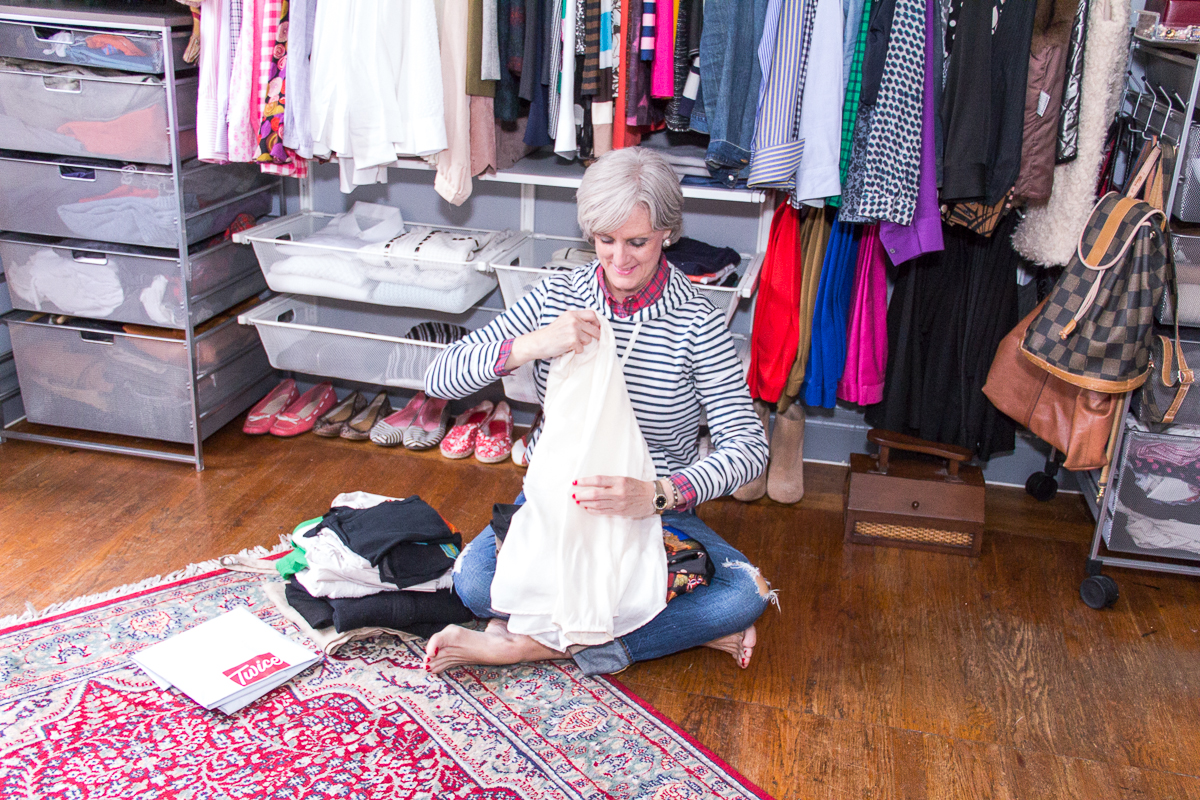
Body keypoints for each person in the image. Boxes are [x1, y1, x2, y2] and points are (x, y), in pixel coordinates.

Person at [422, 147, 773, 676]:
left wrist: (657, 494)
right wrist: (531, 345)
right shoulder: (557, 295)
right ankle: (658, 629)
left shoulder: (697, 321)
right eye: (605, 240)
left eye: (638, 242)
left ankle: (525, 643)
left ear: (667, 233)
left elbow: (748, 448)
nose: (620, 259)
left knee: (745, 594)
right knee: (473, 585)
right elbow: (439, 377)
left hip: (655, 512)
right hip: (555, 504)